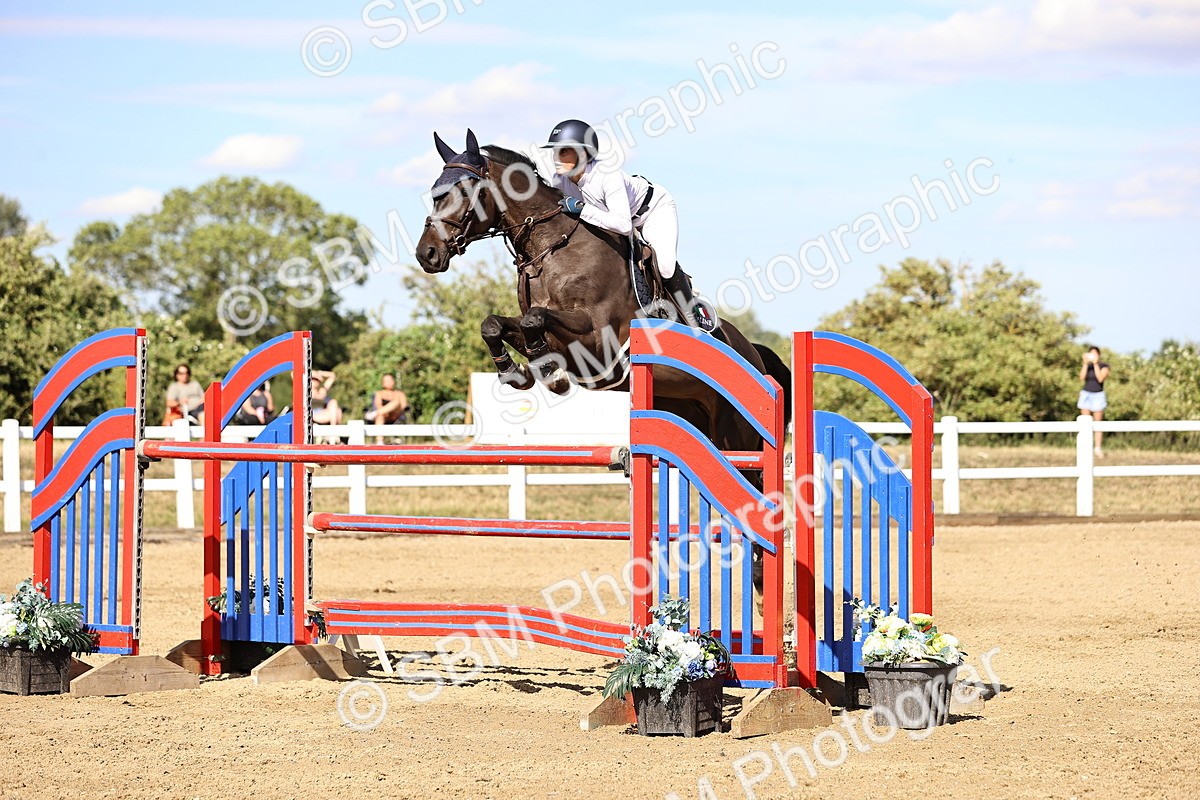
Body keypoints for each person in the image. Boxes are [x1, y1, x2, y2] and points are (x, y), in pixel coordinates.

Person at [540, 119, 714, 332]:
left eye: (564, 151)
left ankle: (693, 312)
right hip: (615, 220)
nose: (557, 157)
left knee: (665, 266)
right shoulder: (559, 180)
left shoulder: (607, 175)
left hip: (652, 212)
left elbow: (622, 224)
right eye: (555, 151)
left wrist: (582, 209)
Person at [1078, 346, 1111, 458]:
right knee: (1084, 423)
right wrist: (1085, 364)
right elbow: (1081, 378)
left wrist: (1096, 364)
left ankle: (1097, 448)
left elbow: (1100, 379)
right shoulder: (1088, 366)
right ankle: (1085, 448)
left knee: (1097, 424)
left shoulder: (1104, 366)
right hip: (1086, 394)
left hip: (1098, 395)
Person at [366, 373, 410, 444]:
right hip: (384, 416)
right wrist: (386, 411)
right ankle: (380, 442)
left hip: (397, 416)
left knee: (396, 402)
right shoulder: (379, 393)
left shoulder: (399, 394)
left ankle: (374, 414)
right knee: (380, 417)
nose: (389, 382)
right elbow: (378, 406)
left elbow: (404, 407)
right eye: (386, 381)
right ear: (383, 383)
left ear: (393, 381)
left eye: (390, 380)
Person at [311, 370, 343, 442]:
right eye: (312, 379)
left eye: (316, 380)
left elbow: (332, 375)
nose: (314, 381)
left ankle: (333, 432)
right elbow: (293, 374)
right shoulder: (305, 390)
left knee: (335, 406)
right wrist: (311, 373)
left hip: (324, 414)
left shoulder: (322, 390)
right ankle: (334, 433)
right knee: (335, 408)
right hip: (313, 415)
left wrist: (320, 373)